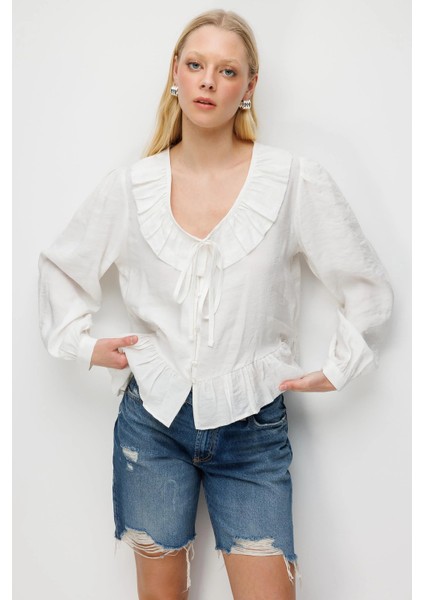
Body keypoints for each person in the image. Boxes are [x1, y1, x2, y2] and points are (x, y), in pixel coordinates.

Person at [38, 8, 393, 600]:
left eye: (227, 71)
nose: (208, 81)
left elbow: (366, 284)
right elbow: (61, 266)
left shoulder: (293, 181)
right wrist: (83, 344)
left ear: (249, 86)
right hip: (152, 423)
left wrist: (340, 365)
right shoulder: (131, 187)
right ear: (175, 72)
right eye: (196, 65)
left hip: (253, 427)